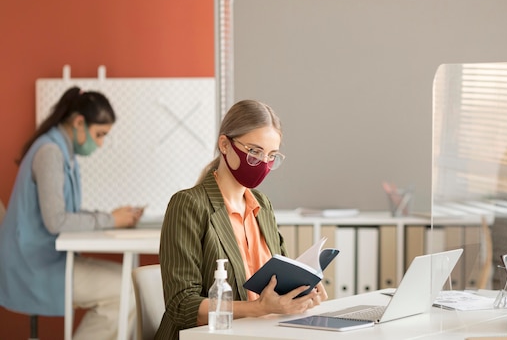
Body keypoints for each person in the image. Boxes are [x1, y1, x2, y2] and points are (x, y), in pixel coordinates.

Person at [156, 99, 327, 338]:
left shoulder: (262, 205)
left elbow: (277, 287)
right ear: (225, 145)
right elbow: (181, 305)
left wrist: (300, 294)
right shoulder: (188, 204)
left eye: (272, 156)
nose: (263, 164)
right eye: (254, 152)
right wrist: (258, 309)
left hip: (261, 332)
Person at [0, 86, 143, 340]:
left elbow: (65, 213)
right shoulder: (50, 153)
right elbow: (56, 221)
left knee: (133, 284)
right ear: (79, 122)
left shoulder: (63, 152)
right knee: (127, 291)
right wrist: (111, 219)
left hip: (48, 259)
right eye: (99, 135)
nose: (99, 144)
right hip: (35, 266)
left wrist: (113, 217)